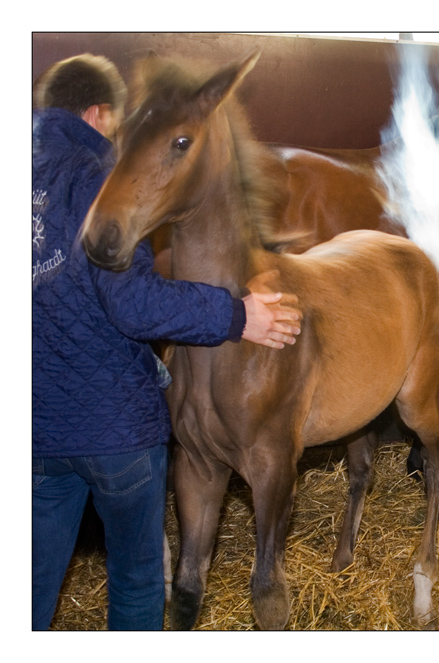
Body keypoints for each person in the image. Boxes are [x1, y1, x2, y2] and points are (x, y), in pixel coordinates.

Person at [32, 54, 301, 630]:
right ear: (101, 114)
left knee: (30, 585)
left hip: (33, 430)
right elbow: (132, 305)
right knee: (134, 581)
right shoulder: (92, 174)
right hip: (113, 430)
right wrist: (237, 315)